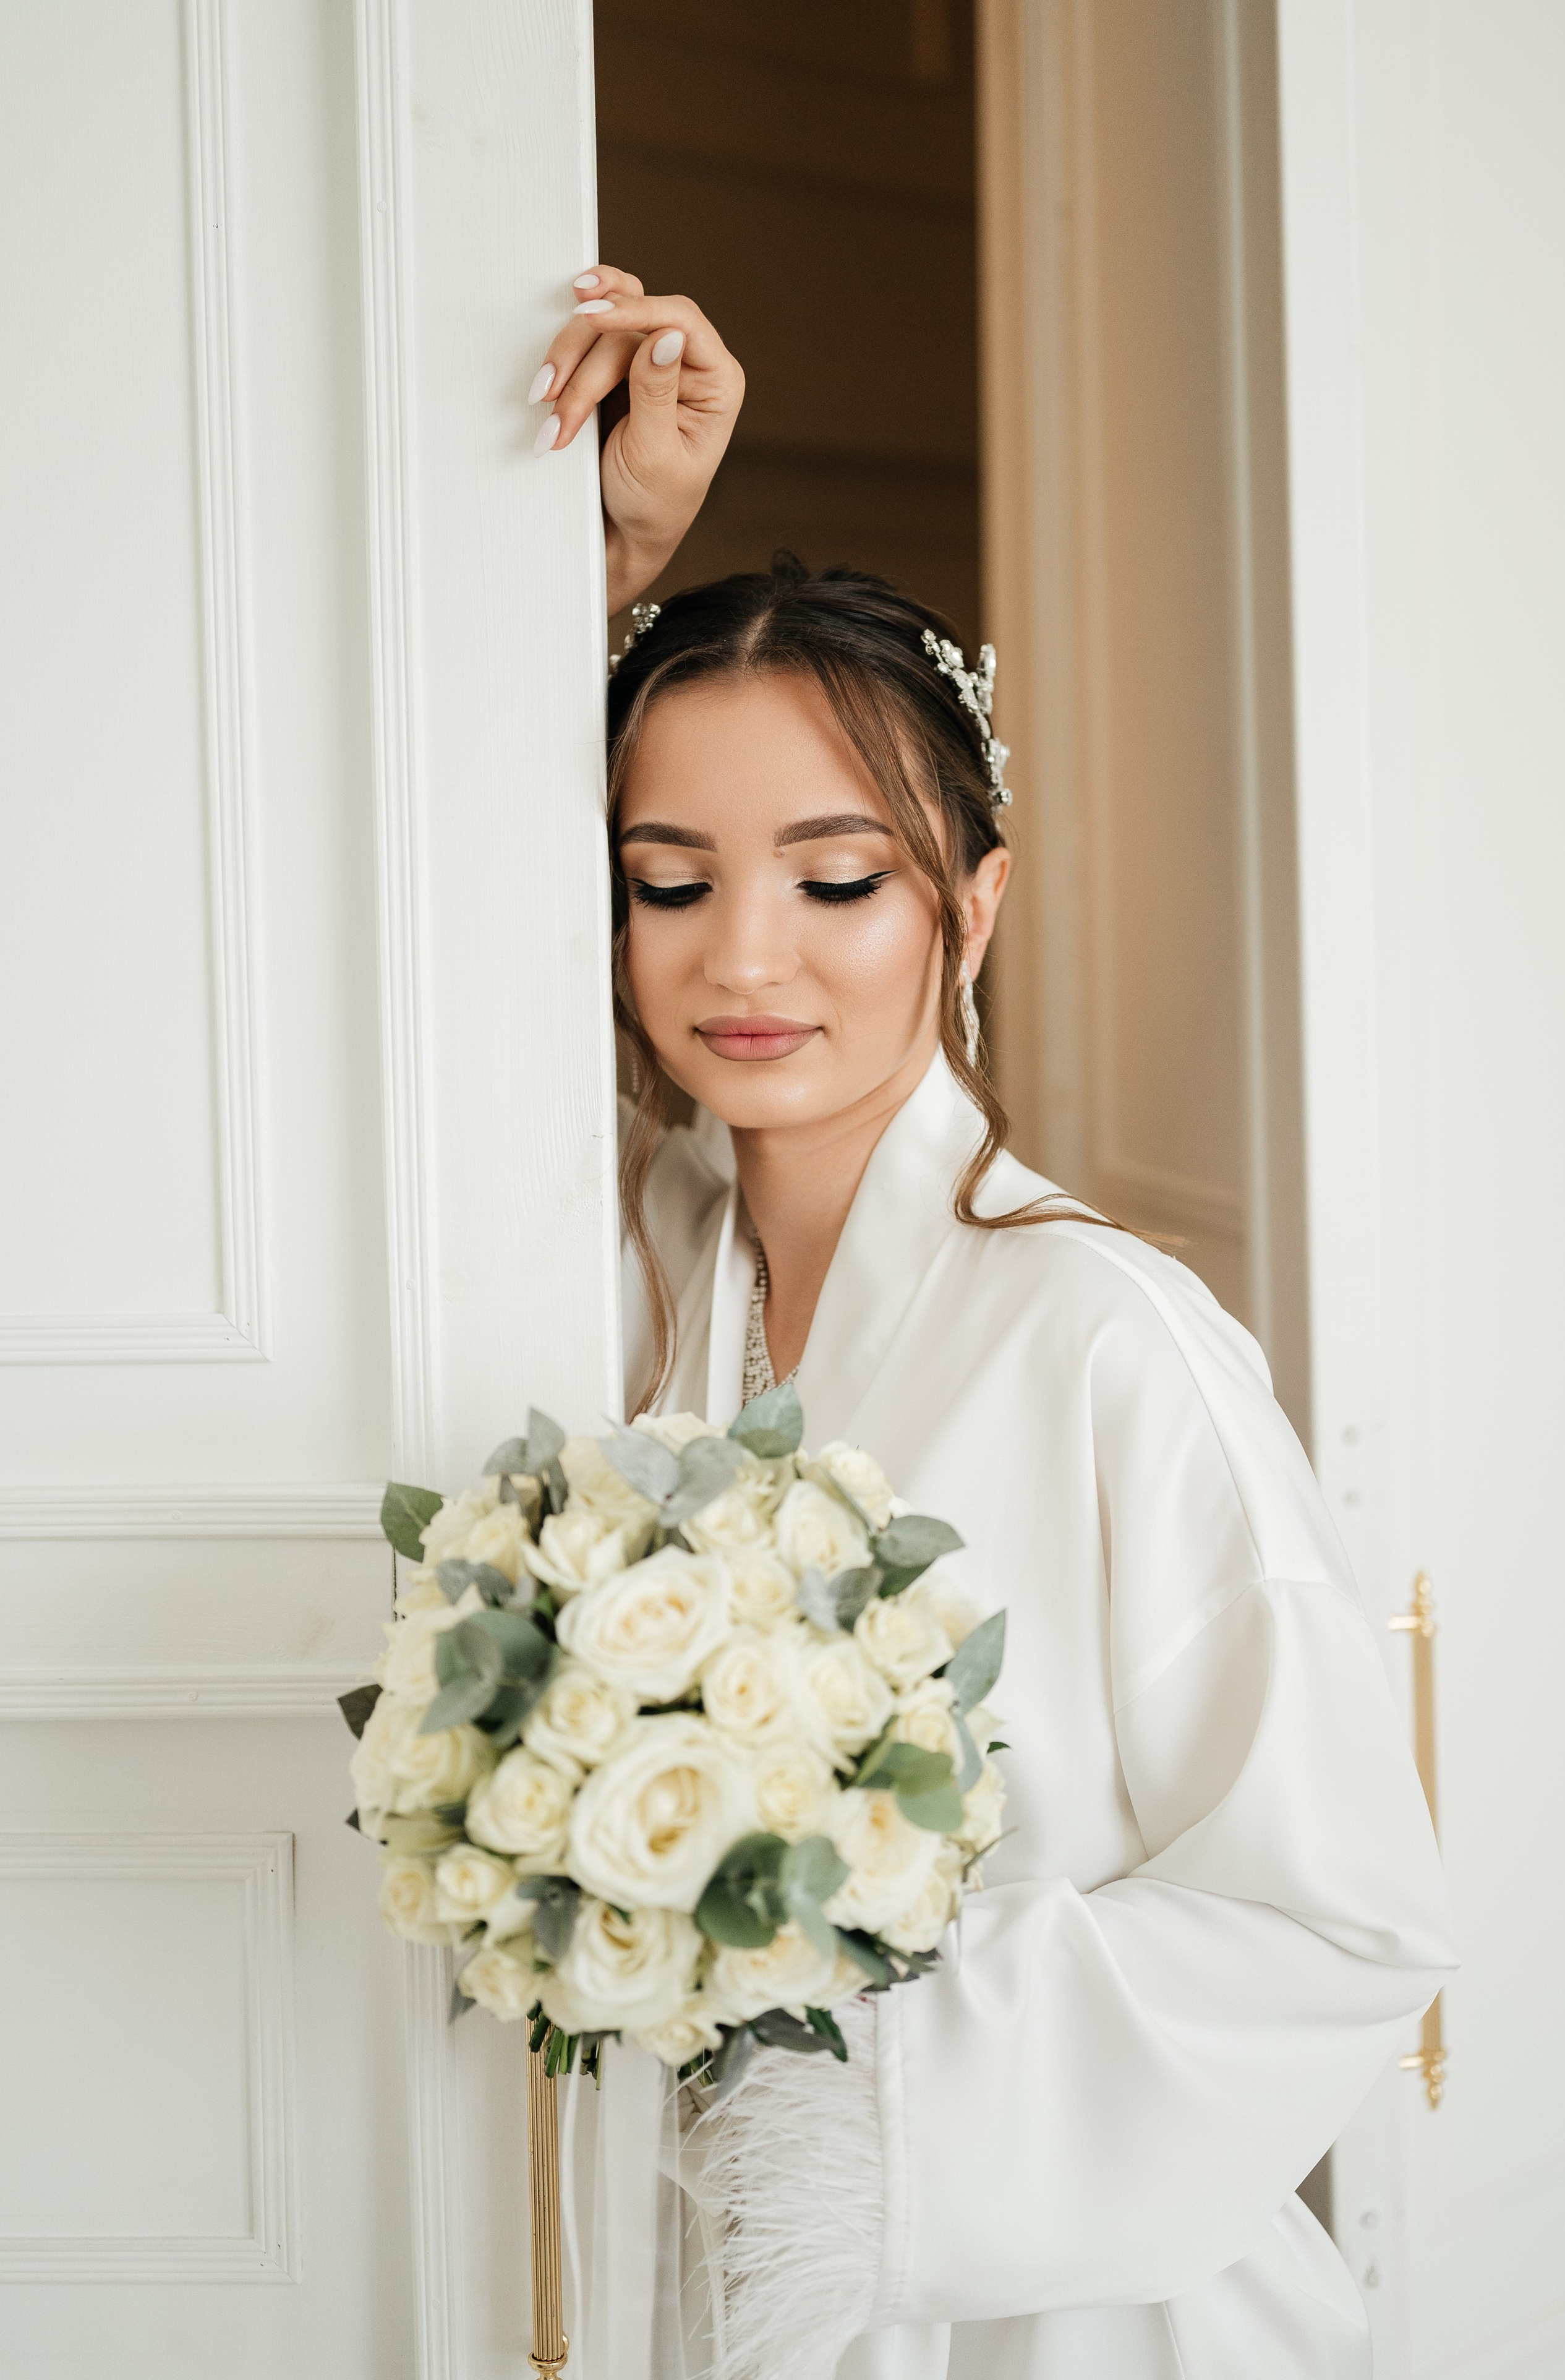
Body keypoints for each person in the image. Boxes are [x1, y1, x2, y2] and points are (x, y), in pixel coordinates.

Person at [531, 271, 1454, 2380]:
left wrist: (838, 2075)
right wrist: (605, 567)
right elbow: (401, 971)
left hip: (1057, 2304)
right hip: (678, 2287)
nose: (742, 956)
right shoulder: (628, 1252)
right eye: (667, 881)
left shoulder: (1110, 1337)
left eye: (837, 880)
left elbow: (1340, 1925)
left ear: (977, 902)